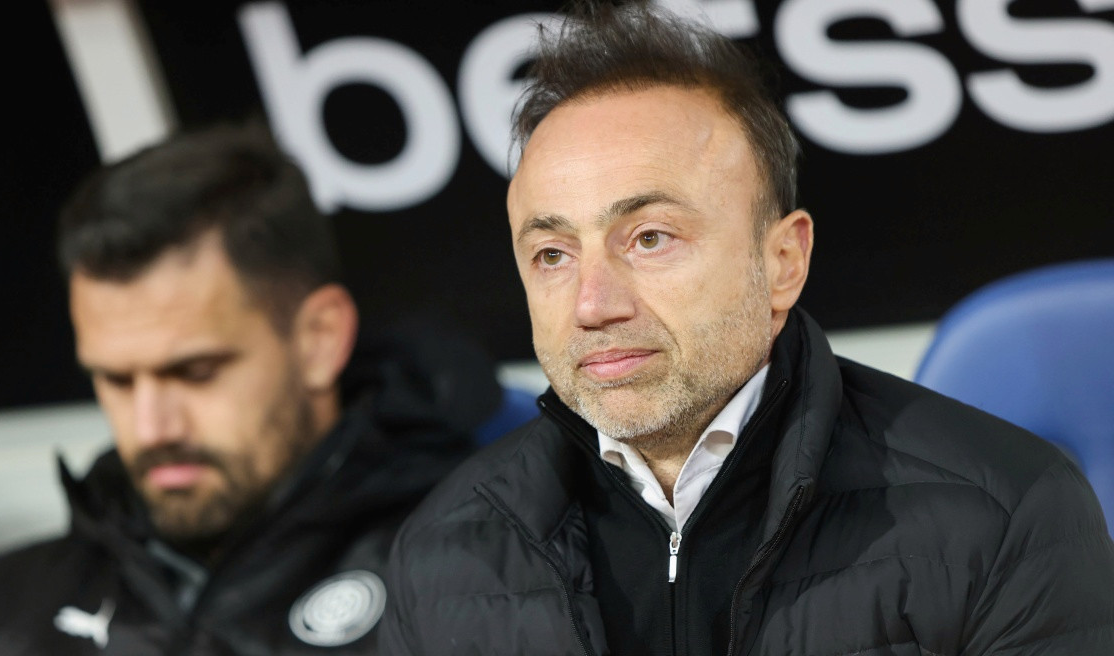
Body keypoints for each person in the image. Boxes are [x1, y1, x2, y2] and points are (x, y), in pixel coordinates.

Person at [381, 3, 1114, 655]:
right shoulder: (441, 554)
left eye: (650, 238)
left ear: (784, 261)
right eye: (552, 254)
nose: (592, 305)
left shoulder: (1006, 513)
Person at [0, 123, 496, 654]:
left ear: (319, 339)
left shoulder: (479, 572)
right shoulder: (2, 610)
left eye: (196, 371)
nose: (152, 429)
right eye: (116, 379)